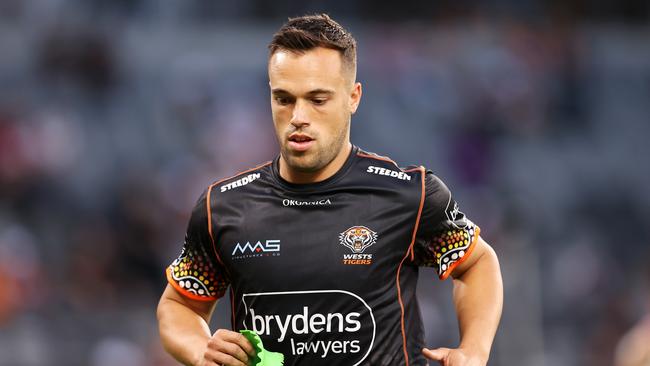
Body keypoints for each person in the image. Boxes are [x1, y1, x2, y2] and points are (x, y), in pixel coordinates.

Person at [157, 13, 503, 366]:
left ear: (353, 97)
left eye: (317, 99)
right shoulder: (224, 206)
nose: (298, 117)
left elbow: (476, 263)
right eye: (284, 99)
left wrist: (474, 350)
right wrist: (201, 350)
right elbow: (179, 304)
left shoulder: (409, 195)